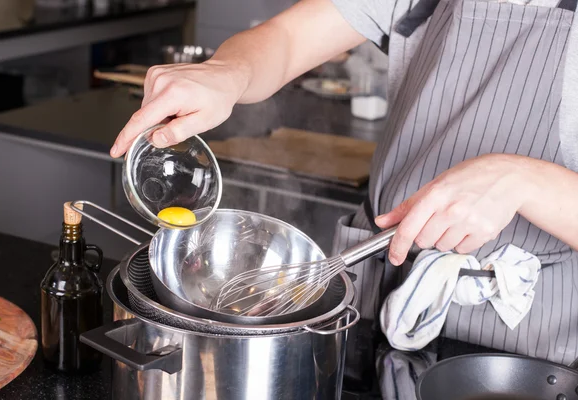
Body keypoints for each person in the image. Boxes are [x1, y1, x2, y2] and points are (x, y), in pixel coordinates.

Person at [110, 0, 578, 364]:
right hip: (377, 312)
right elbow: (288, 39)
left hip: (529, 351)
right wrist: (225, 73)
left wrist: (527, 181)